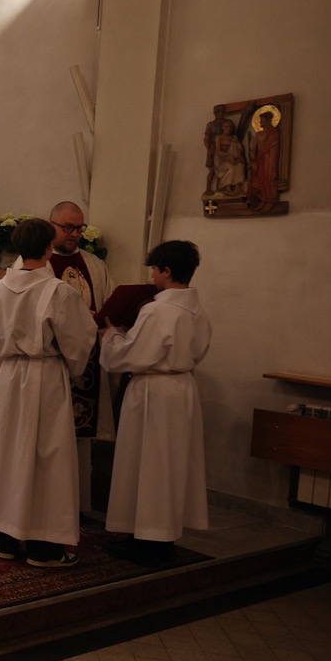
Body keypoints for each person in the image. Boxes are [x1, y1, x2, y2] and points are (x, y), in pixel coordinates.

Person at [0, 218, 96, 567]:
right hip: (45, 377)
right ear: (49, 247)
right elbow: (78, 343)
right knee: (46, 458)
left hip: (7, 377)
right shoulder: (59, 292)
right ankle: (43, 547)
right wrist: (72, 365)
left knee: (6, 452)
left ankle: (4, 538)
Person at [99, 241, 211, 566]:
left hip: (154, 392)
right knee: (169, 466)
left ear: (166, 271)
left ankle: (148, 542)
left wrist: (112, 335)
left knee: (148, 464)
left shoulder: (157, 310)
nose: (152, 275)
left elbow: (130, 355)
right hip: (182, 389)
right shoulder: (197, 310)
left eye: (154, 269)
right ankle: (159, 535)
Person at [16, 202, 113, 516]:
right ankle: (45, 511)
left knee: (76, 440)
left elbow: (108, 304)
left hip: (82, 360)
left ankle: (76, 504)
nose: (74, 234)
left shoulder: (95, 265)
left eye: (79, 228)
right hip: (55, 361)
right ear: (51, 227)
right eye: (67, 227)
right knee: (45, 441)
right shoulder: (28, 268)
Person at [247, 110, 281, 212]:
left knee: (269, 177)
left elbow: (274, 149)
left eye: (262, 119)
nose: (260, 121)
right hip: (259, 160)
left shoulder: (273, 133)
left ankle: (270, 201)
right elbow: (253, 150)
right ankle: (263, 200)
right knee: (260, 180)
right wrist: (253, 161)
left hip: (269, 159)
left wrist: (271, 164)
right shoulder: (258, 134)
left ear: (268, 120)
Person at [212, 118, 246, 194]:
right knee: (230, 168)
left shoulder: (234, 137)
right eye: (227, 126)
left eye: (231, 127)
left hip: (234, 158)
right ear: (223, 127)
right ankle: (227, 187)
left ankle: (237, 186)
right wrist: (229, 155)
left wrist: (237, 156)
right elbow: (218, 151)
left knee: (240, 166)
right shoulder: (219, 137)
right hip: (221, 159)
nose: (229, 129)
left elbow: (239, 149)